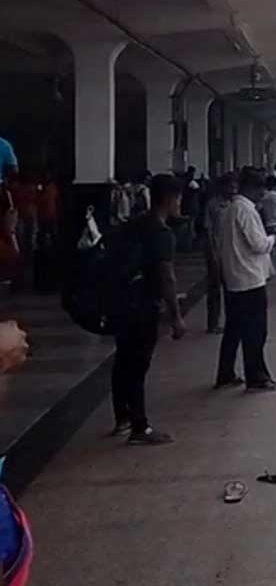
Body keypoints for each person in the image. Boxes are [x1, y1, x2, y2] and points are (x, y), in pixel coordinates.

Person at [110, 173, 186, 445]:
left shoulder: (135, 223)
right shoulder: (161, 232)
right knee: (138, 365)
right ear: (168, 198)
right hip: (143, 306)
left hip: (122, 301)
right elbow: (166, 276)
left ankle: (123, 418)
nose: (180, 204)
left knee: (122, 362)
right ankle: (140, 427)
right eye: (178, 198)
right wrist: (176, 315)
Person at [215, 169, 276, 392]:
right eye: (261, 189)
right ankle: (257, 377)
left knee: (234, 330)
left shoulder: (232, 208)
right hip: (249, 280)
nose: (263, 194)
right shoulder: (246, 209)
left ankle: (225, 373)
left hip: (234, 278)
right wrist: (272, 238)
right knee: (255, 331)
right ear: (252, 188)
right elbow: (258, 244)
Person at [203, 173, 236, 333]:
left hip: (232, 252)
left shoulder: (236, 204)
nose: (233, 189)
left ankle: (233, 320)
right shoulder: (213, 205)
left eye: (235, 186)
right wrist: (212, 254)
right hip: (216, 251)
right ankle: (213, 323)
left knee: (233, 288)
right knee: (215, 288)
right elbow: (208, 231)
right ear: (222, 187)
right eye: (230, 186)